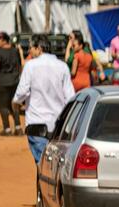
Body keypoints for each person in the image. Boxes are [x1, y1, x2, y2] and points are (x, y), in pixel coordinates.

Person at [13, 35, 75, 165]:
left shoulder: (30, 66)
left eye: (31, 48)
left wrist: (16, 102)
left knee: (42, 165)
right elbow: (70, 98)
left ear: (39, 48)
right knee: (56, 166)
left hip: (36, 125)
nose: (29, 51)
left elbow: (21, 94)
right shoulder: (62, 66)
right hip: (58, 126)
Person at [0, 32, 24, 135]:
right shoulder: (15, 51)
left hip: (1, 83)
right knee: (14, 105)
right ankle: (18, 127)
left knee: (3, 106)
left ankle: (7, 129)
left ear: (3, 40)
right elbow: (20, 66)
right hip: (14, 82)